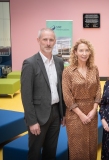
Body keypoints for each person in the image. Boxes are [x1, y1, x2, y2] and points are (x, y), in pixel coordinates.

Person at [21, 28, 66, 160]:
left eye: (51, 40)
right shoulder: (30, 63)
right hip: (38, 116)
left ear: (55, 42)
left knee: (51, 152)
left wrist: (63, 114)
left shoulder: (59, 62)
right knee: (35, 153)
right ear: (38, 41)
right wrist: (32, 121)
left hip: (56, 113)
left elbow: (61, 90)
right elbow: (26, 95)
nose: (48, 43)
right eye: (45, 39)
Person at [62, 39, 101, 160]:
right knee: (77, 147)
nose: (84, 53)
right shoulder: (68, 71)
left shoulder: (94, 69)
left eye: (86, 50)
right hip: (74, 113)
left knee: (91, 145)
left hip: (91, 112)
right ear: (75, 52)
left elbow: (99, 89)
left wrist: (94, 109)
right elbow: (66, 95)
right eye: (81, 50)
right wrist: (81, 114)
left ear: (90, 52)